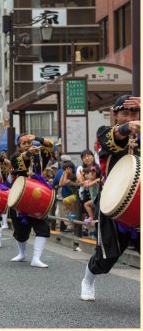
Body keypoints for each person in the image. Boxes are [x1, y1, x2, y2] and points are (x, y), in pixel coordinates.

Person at [81, 95, 140, 301]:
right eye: (125, 113)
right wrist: (127, 128)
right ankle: (88, 280)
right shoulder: (105, 134)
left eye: (135, 113)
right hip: (114, 204)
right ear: (114, 115)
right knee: (107, 257)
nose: (130, 117)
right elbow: (112, 139)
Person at [8, 133, 54, 267]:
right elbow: (21, 161)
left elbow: (50, 145)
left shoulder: (41, 155)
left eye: (29, 142)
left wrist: (37, 138)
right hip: (20, 194)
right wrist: (28, 153)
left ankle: (36, 258)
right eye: (24, 143)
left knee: (42, 226)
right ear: (19, 146)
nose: (27, 145)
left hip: (37, 193)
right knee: (20, 230)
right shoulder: (15, 157)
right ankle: (22, 253)